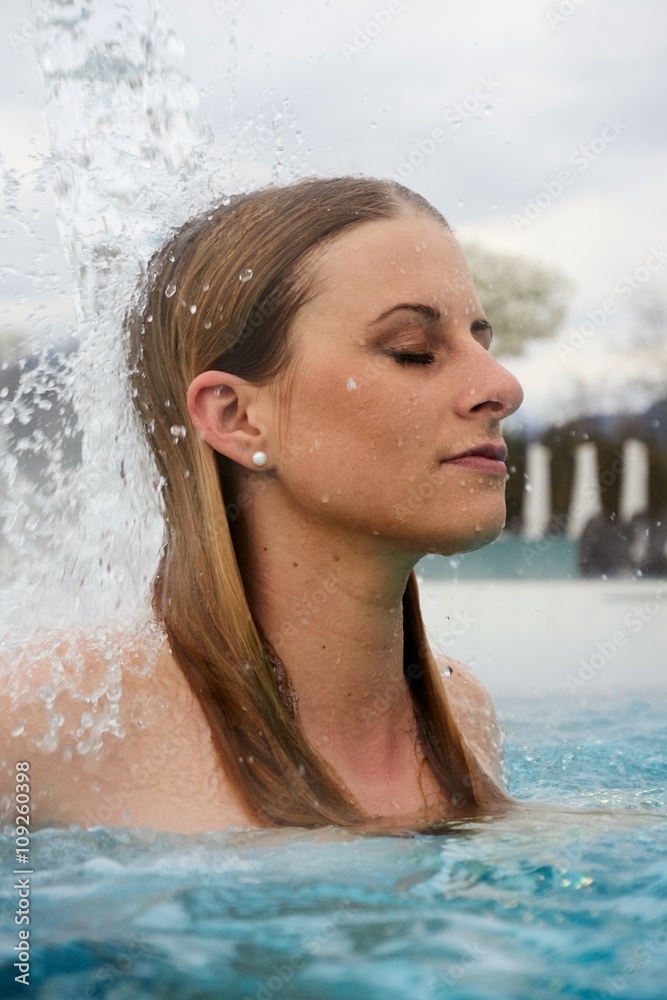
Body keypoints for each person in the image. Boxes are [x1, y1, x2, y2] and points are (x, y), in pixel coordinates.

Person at [0, 176, 523, 833]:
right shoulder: (49, 725)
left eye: (482, 342)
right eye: (413, 352)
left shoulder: (460, 713)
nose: (501, 386)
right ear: (238, 418)